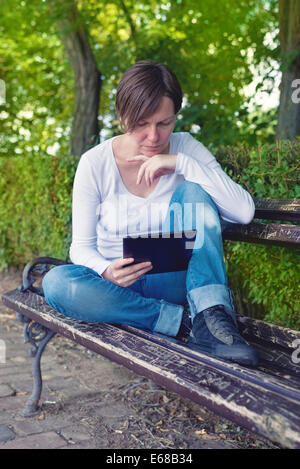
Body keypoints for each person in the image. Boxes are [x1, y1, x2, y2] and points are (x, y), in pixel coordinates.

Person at [42, 60, 259, 366]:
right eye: (142, 124)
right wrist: (105, 270)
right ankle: (181, 323)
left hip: (172, 281)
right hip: (117, 286)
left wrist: (180, 164)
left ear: (175, 117)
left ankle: (210, 318)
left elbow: (244, 211)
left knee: (194, 191)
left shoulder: (186, 148)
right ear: (122, 117)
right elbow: (80, 247)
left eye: (164, 123)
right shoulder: (95, 163)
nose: (154, 137)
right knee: (57, 284)